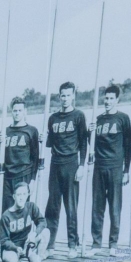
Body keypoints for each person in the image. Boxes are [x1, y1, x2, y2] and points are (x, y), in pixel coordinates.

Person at [44, 82, 91, 249]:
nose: (65, 98)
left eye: (68, 95)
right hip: (55, 164)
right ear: (59, 97)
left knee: (71, 207)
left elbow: (84, 143)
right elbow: (50, 144)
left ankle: (72, 244)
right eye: (62, 95)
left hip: (72, 164)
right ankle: (49, 245)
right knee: (52, 206)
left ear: (73, 96)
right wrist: (44, 136)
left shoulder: (78, 116)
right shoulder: (52, 118)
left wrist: (82, 165)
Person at [0, 96, 43, 262]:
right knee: (8, 214)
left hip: (24, 176)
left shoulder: (31, 130)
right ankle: (6, 251)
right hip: (8, 177)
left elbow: (36, 158)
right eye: (14, 110)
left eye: (20, 110)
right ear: (12, 112)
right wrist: (0, 143)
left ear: (25, 112)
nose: (17, 113)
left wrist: (31, 179)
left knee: (24, 214)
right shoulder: (7, 131)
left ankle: (27, 248)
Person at [89, 82, 131, 249]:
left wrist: (126, 170)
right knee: (97, 207)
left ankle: (113, 243)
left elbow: (129, 146)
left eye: (111, 98)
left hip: (116, 168)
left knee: (115, 208)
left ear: (117, 100)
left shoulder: (123, 119)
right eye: (105, 98)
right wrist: (90, 132)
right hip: (99, 167)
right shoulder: (98, 119)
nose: (107, 101)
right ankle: (96, 242)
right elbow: (92, 144)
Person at [0, 179, 48, 262]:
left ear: (27, 195)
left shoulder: (31, 207)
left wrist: (34, 233)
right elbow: (4, 240)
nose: (21, 198)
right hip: (13, 248)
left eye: (24, 194)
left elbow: (42, 221)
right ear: (14, 196)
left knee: (46, 232)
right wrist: (15, 248)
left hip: (27, 245)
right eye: (19, 195)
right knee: (11, 261)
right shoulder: (6, 216)